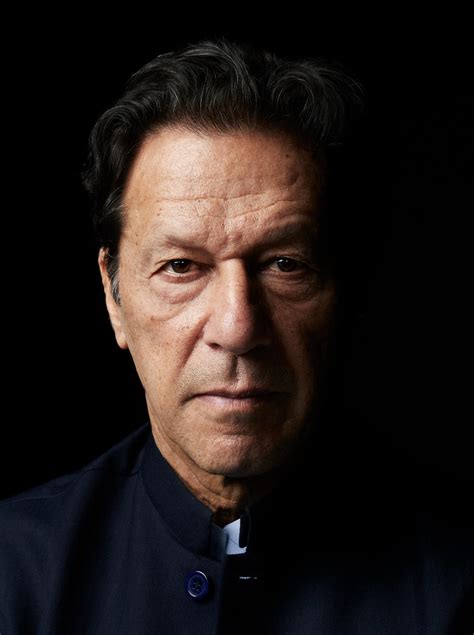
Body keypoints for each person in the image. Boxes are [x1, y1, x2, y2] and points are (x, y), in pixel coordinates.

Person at [1, 39, 472, 634]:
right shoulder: (12, 571)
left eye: (284, 264)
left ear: (343, 288)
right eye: (181, 267)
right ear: (113, 296)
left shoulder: (458, 582)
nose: (237, 328)